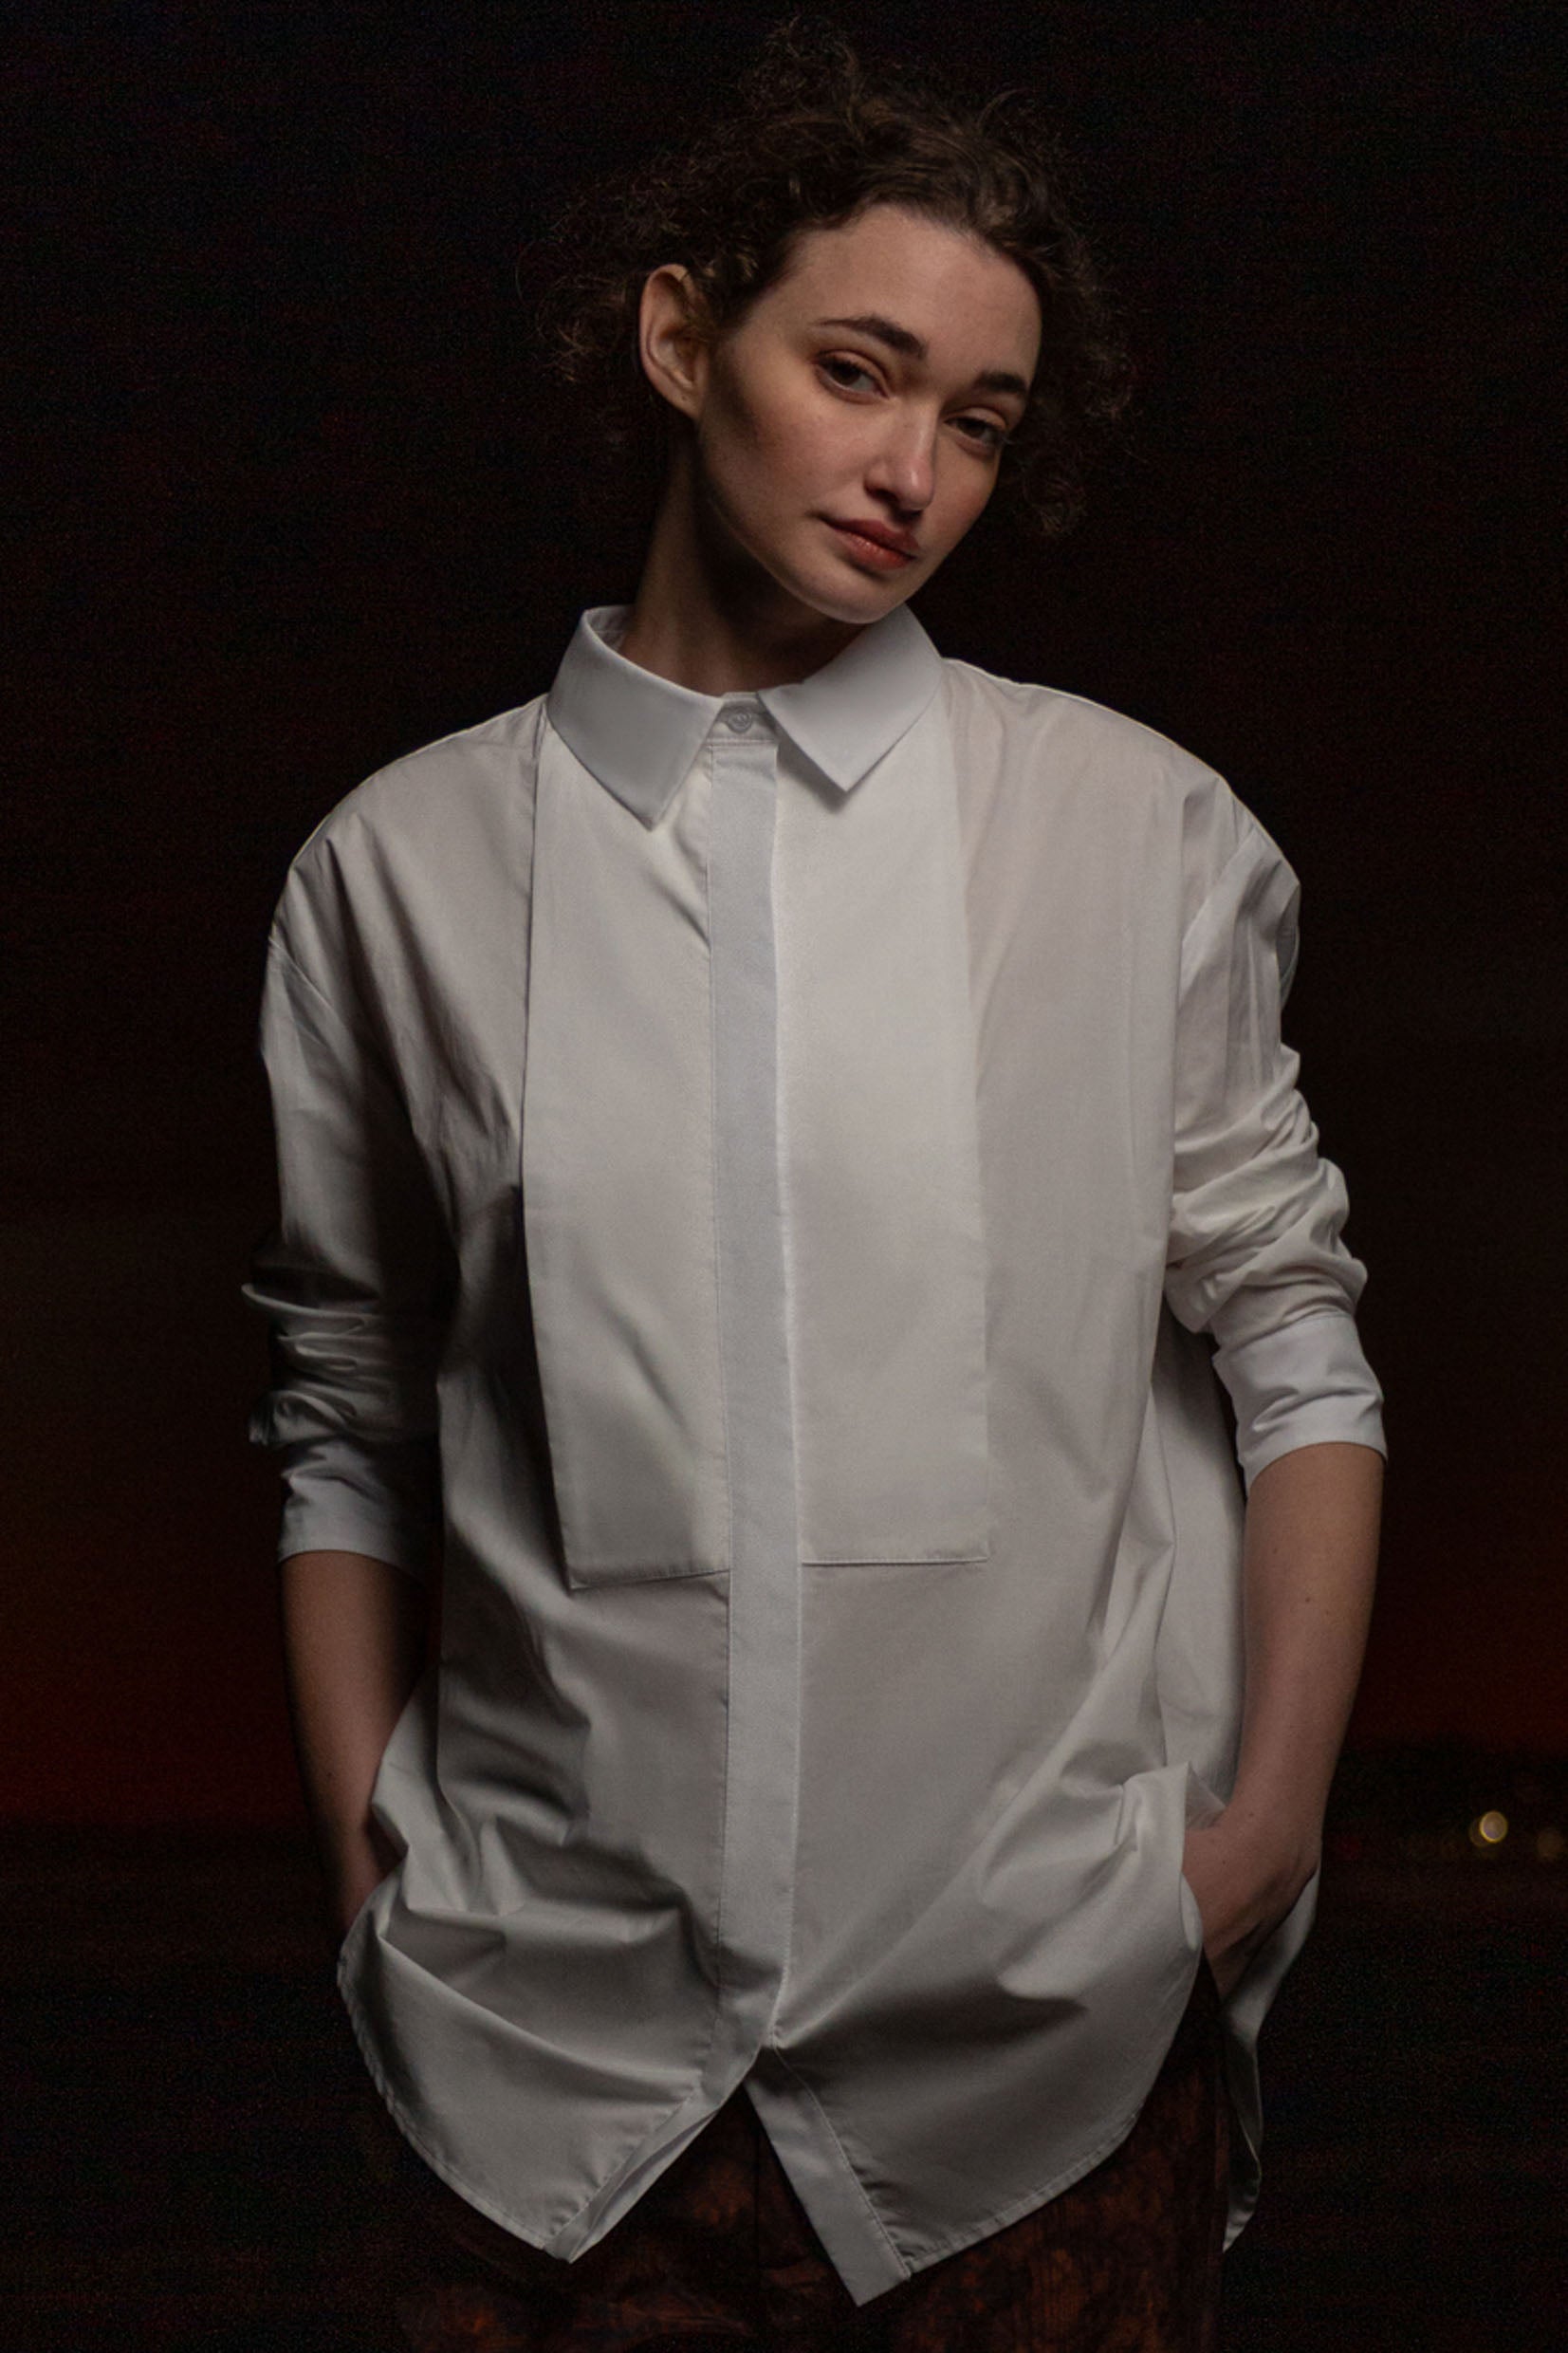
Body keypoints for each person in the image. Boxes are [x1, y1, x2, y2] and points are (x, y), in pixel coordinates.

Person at [245, 20, 1385, 2350]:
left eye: (978, 419)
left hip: (1035, 2071)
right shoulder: (397, 867)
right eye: (855, 371)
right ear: (680, 339)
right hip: (538, 2085)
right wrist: (371, 1876)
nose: (911, 472)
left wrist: (1256, 1839)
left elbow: (1292, 1336)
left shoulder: (1132, 831)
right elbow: (343, 1404)